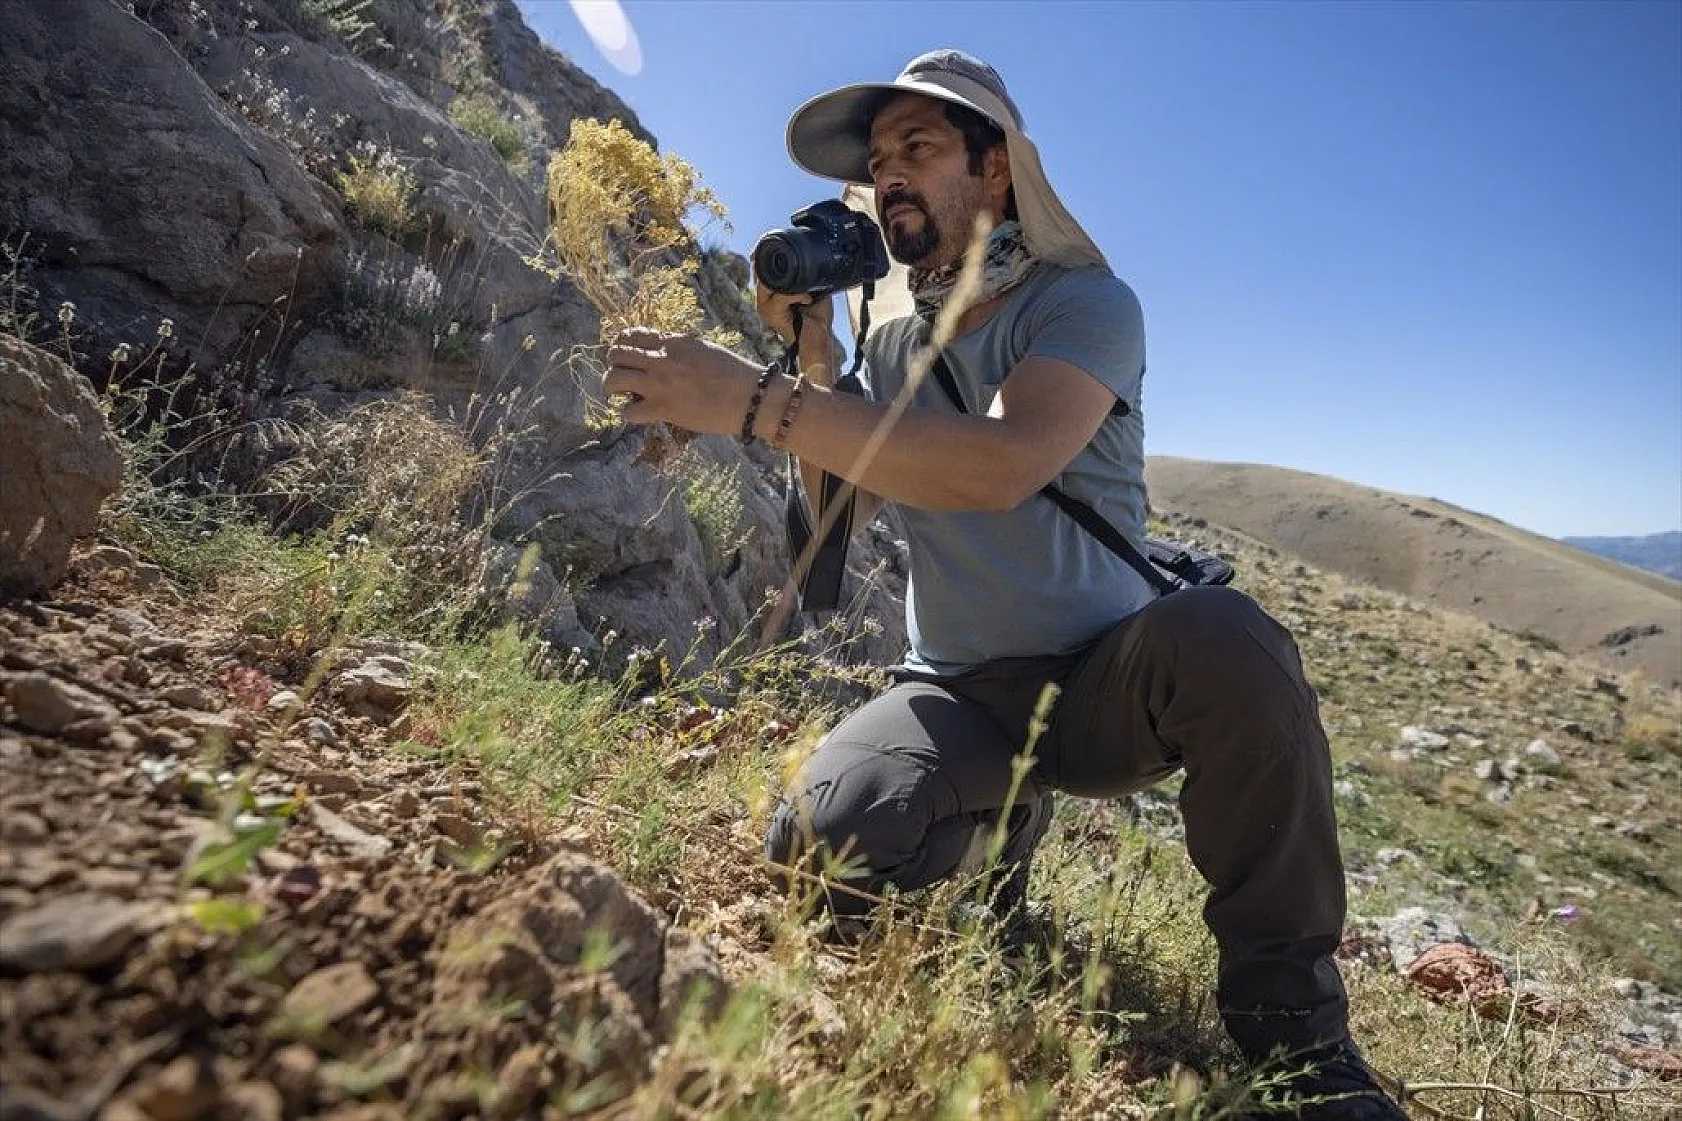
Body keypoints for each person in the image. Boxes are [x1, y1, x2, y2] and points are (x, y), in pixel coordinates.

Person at [605, 48, 1407, 1120]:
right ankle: (998, 844)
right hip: (963, 689)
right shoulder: (886, 353)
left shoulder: (1083, 306)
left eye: (918, 147)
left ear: (993, 173)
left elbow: (999, 465)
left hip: (1106, 682)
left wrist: (751, 403)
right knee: (817, 843)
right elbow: (833, 525)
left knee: (1230, 633)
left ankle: (1298, 1043)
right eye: (878, 157)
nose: (887, 172)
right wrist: (809, 358)